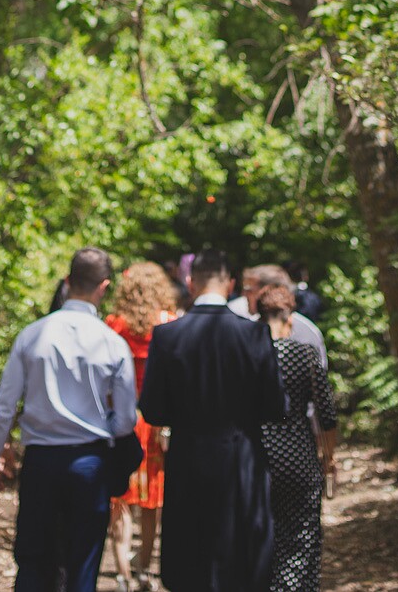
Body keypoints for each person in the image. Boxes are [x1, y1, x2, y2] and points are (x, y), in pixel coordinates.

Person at [0, 248, 139, 592]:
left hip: (41, 462)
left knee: (33, 561)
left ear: (68, 282)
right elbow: (127, 419)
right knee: (82, 567)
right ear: (104, 287)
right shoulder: (112, 344)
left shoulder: (33, 334)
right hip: (90, 463)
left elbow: (4, 406)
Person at [139, 249, 287, 592]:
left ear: (191, 283)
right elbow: (276, 406)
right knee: (243, 559)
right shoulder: (255, 335)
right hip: (243, 462)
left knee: (191, 557)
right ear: (231, 284)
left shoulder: (167, 336)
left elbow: (154, 410)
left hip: (189, 458)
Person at [256, 285, 337, 592]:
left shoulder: (249, 357)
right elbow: (326, 414)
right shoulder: (305, 354)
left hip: (258, 460)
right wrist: (329, 457)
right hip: (299, 457)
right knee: (302, 537)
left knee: (264, 535)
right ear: (289, 317)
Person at [105, 262, 181, 591]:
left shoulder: (113, 325)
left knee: (120, 500)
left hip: (122, 420)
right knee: (152, 500)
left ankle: (122, 573)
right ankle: (145, 569)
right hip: (156, 421)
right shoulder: (170, 325)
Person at [228, 264, 326, 368]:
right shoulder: (244, 325)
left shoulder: (306, 332)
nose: (244, 295)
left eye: (249, 290)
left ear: (269, 291)